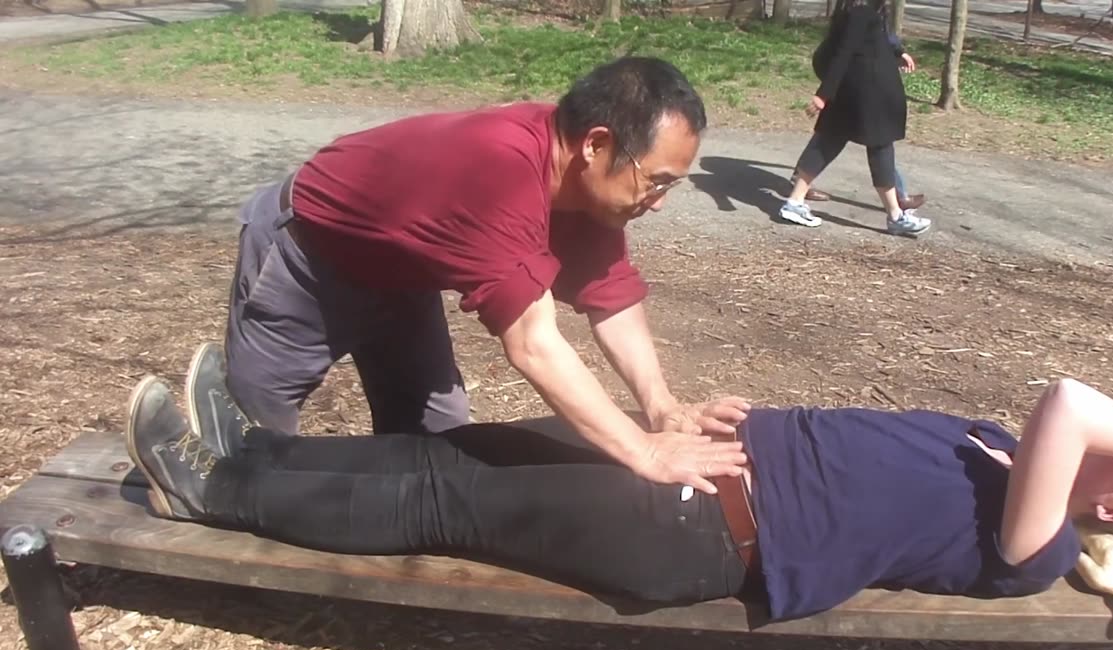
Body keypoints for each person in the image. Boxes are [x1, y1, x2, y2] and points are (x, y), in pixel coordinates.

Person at [126, 343, 1113, 622]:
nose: (1110, 437)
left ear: (1104, 499)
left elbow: (1067, 398)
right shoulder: (990, 443)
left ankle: (206, 490)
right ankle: (254, 457)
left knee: (439, 499)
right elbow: (866, 449)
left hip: (695, 530)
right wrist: (744, 415)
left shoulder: (1035, 543)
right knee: (453, 449)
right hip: (693, 463)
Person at [221, 56, 749, 496]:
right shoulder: (500, 169)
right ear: (596, 144)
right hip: (311, 256)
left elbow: (612, 296)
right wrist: (643, 452)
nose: (656, 204)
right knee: (255, 433)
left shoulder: (588, 189)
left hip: (406, 275)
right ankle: (223, 528)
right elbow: (534, 345)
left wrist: (661, 408)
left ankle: (394, 543)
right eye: (655, 182)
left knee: (439, 432)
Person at [778, 0, 931, 237]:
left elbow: (870, 45)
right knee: (876, 148)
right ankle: (895, 216)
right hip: (863, 96)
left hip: (862, 93)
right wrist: (823, 95)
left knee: (829, 143)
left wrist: (894, 53)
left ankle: (795, 202)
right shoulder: (860, 12)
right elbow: (843, 53)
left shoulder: (869, 11)